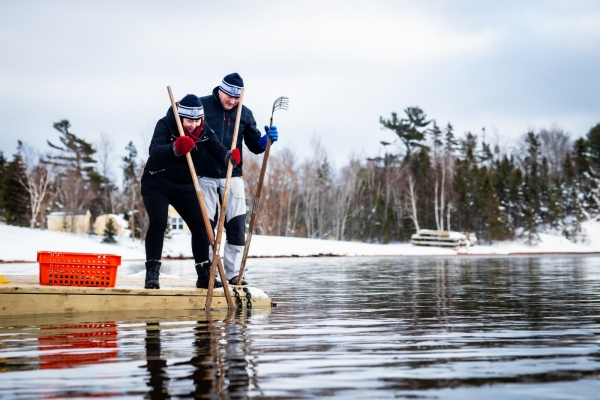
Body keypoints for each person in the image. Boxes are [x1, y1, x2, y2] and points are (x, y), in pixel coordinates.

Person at [141, 94, 240, 289]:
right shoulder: (167, 123)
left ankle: (203, 275)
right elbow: (154, 150)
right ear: (180, 117)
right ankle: (152, 273)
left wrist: (229, 157)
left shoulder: (204, 128)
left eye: (197, 120)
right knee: (158, 222)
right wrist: (175, 148)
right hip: (156, 180)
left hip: (184, 184)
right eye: (189, 121)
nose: (193, 125)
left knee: (202, 225)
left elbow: (216, 148)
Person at [197, 73, 278, 286]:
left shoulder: (245, 113)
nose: (232, 101)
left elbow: (254, 145)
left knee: (236, 224)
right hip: (204, 175)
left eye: (236, 98)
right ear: (220, 90)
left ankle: (234, 274)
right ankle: (208, 273)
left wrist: (265, 141)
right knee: (206, 226)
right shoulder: (203, 106)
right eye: (229, 96)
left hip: (232, 175)